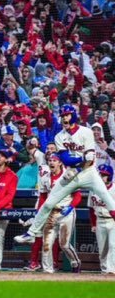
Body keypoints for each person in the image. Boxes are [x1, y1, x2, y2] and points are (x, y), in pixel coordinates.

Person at [14, 104, 115, 245]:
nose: (64, 119)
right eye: (62, 116)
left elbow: (91, 159)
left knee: (108, 198)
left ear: (73, 115)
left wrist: (79, 167)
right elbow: (66, 159)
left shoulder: (86, 132)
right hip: (71, 173)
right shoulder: (59, 136)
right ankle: (31, 233)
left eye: (66, 115)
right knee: (49, 202)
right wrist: (80, 160)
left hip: (89, 173)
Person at [39, 154, 82, 273]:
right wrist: (40, 213)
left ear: (60, 163)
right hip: (51, 213)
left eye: (54, 160)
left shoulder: (69, 175)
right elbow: (43, 197)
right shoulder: (45, 177)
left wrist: (70, 207)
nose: (51, 162)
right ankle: (47, 270)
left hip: (66, 213)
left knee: (64, 244)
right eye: (50, 160)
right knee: (46, 243)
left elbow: (78, 196)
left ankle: (75, 262)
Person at [88, 164, 115, 274]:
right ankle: (104, 270)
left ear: (110, 176)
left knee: (113, 245)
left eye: (104, 175)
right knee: (102, 249)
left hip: (112, 220)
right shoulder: (94, 189)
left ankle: (111, 269)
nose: (102, 177)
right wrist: (93, 224)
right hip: (100, 220)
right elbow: (90, 208)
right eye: (101, 174)